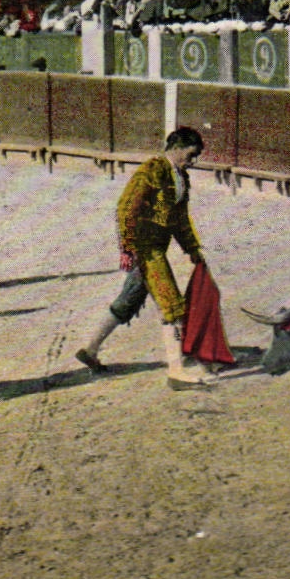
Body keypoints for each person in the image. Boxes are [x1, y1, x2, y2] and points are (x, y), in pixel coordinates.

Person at [76, 127, 217, 390]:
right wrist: (128, 248)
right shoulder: (152, 171)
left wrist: (192, 249)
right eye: (191, 154)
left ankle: (90, 349)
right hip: (146, 248)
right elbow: (126, 208)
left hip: (156, 247)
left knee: (129, 299)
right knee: (173, 306)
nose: (194, 161)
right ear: (175, 148)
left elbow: (179, 220)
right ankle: (177, 371)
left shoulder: (180, 177)